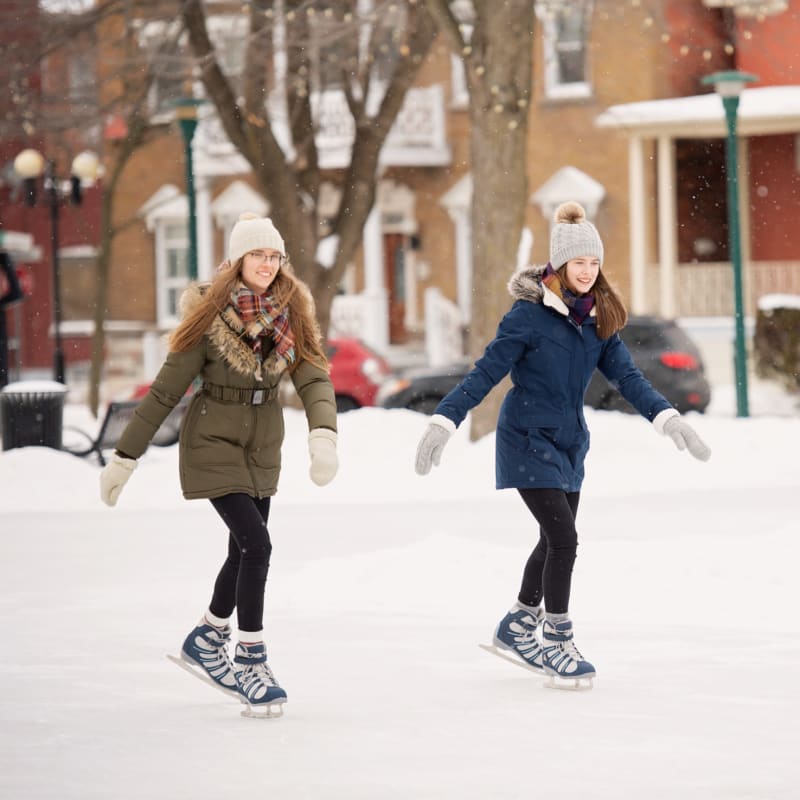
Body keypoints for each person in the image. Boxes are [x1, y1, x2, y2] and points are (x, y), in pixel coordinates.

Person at [414, 201, 710, 688]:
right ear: (558, 265)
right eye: (579, 263)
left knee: (554, 538)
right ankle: (556, 638)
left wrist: (667, 416)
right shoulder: (527, 317)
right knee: (565, 539)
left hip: (570, 440)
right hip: (527, 437)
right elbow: (487, 370)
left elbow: (629, 377)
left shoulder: (599, 319)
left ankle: (518, 622)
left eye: (595, 263)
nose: (589, 272)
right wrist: (445, 419)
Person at [99, 212, 338, 717]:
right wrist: (125, 456)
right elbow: (165, 391)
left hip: (262, 446)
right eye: (259, 255)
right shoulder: (210, 316)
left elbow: (314, 378)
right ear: (237, 261)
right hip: (213, 442)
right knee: (258, 544)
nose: (268, 265)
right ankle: (250, 656)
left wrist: (323, 434)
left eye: (274, 256)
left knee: (241, 550)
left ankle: (207, 636)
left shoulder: (291, 313)